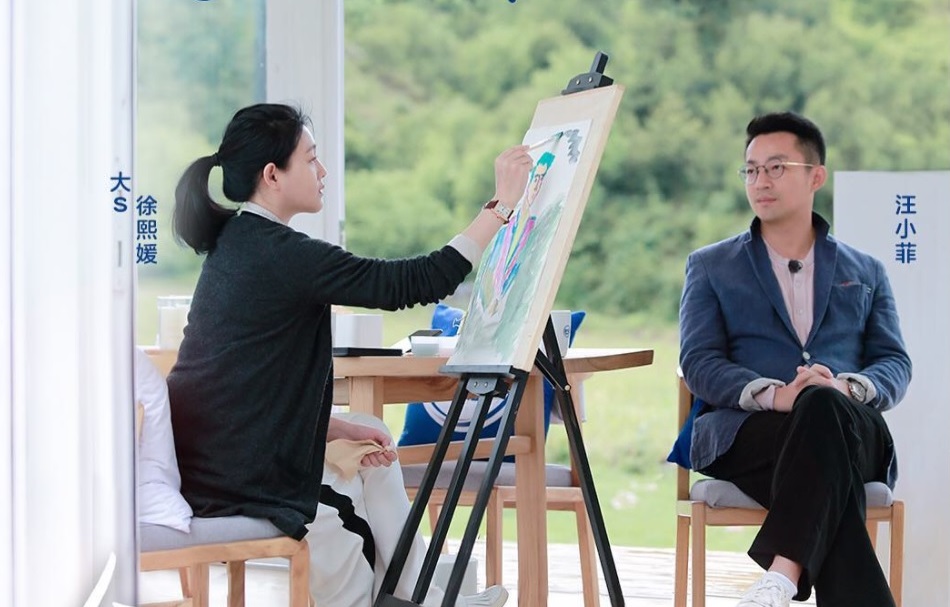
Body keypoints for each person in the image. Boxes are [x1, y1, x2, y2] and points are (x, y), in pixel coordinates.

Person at [166, 103, 531, 606]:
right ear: (272, 175)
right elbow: (411, 282)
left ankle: (417, 595)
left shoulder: (241, 243)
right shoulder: (281, 254)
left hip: (226, 456)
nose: (322, 171)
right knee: (339, 512)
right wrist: (501, 206)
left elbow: (245, 389)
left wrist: (335, 428)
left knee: (369, 436)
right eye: (310, 159)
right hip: (239, 476)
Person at [678, 112, 911, 607]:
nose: (760, 181)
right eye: (751, 170)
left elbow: (894, 361)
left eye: (776, 167)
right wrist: (776, 395)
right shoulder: (711, 266)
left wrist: (846, 388)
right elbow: (699, 361)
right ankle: (785, 573)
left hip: (851, 425)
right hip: (751, 433)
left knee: (824, 409)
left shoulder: (866, 269)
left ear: (815, 176)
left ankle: (782, 574)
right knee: (824, 452)